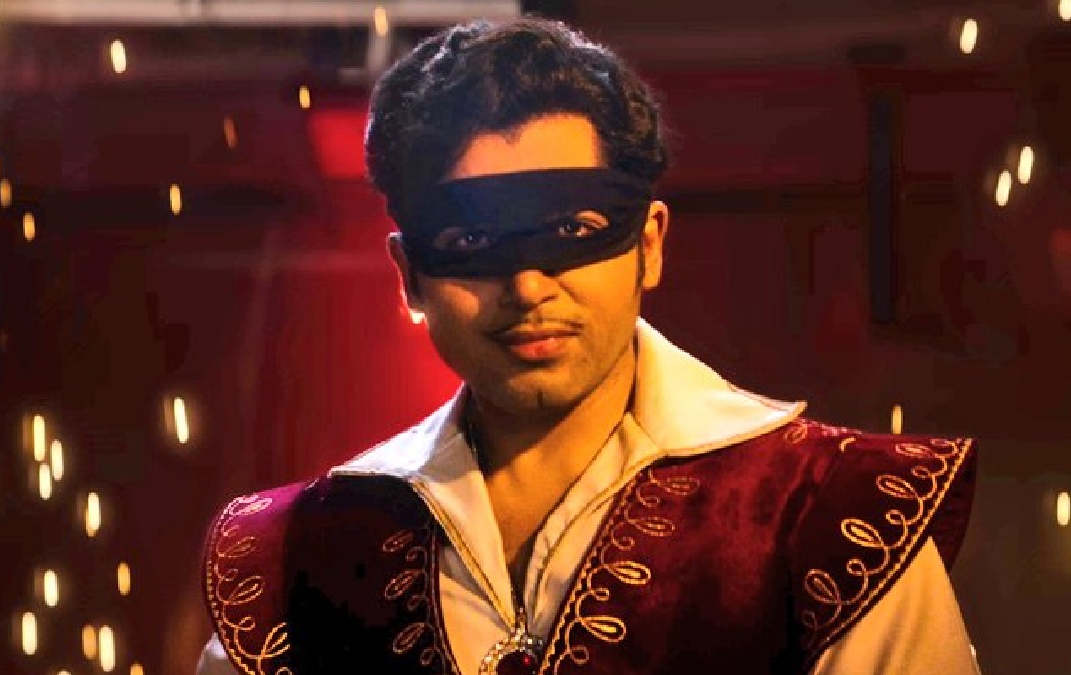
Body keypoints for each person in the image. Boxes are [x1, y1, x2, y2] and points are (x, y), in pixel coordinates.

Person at [197, 17, 980, 675]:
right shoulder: (300, 559)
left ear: (649, 244)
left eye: (573, 230)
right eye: (470, 242)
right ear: (409, 275)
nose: (529, 287)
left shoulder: (834, 523)